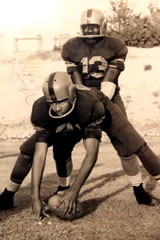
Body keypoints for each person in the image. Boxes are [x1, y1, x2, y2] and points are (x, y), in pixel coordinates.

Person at [1, 72, 160, 220]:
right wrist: (34, 197)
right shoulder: (40, 108)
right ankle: (7, 197)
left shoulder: (89, 105)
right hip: (72, 115)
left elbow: (91, 153)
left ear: (70, 94)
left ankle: (139, 193)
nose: (56, 108)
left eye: (61, 102)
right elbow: (40, 155)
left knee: (132, 144)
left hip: (99, 108)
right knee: (28, 150)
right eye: (52, 103)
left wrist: (75, 192)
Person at [61, 8, 154, 205]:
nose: (90, 35)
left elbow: (110, 78)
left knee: (125, 146)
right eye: (86, 29)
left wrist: (100, 103)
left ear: (103, 26)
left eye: (93, 29)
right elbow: (76, 81)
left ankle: (138, 190)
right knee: (63, 144)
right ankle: (63, 188)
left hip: (108, 96)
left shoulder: (115, 45)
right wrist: (86, 104)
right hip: (81, 97)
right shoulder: (71, 47)